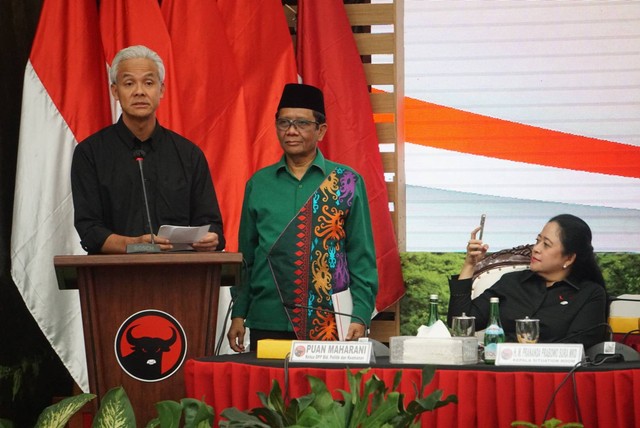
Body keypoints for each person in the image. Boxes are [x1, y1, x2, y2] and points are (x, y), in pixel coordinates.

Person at [227, 83, 378, 352]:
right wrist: (239, 312)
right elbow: (246, 259)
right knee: (270, 394)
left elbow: (361, 256)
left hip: (329, 322)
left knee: (325, 394)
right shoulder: (259, 184)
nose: (291, 131)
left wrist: (361, 313)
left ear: (321, 130)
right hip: (267, 318)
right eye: (284, 122)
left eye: (301, 123)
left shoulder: (346, 182)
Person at [71, 45, 225, 254]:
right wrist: (134, 244)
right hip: (114, 278)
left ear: (161, 90)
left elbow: (212, 225)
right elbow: (89, 230)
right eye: (129, 83)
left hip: (181, 277)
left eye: (149, 82)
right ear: (115, 91)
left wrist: (210, 238)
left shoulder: (189, 154)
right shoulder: (90, 154)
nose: (139, 91)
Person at [447, 214, 607, 349]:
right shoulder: (512, 282)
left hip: (555, 377)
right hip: (501, 370)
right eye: (538, 240)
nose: (536, 248)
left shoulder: (589, 294)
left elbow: (577, 347)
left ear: (569, 258)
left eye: (546, 245)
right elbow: (461, 324)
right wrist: (469, 265)